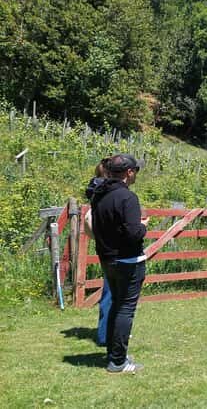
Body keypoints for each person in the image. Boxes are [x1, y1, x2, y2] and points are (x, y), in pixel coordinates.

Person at [90, 153, 148, 373]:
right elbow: (133, 233)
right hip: (127, 260)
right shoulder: (127, 197)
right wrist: (143, 226)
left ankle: (114, 354)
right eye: (136, 171)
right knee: (125, 309)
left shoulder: (99, 194)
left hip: (107, 259)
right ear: (129, 172)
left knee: (116, 305)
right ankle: (118, 362)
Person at [83, 159, 113, 347]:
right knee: (112, 293)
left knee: (110, 291)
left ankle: (108, 332)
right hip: (113, 247)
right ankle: (105, 335)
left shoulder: (95, 189)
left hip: (103, 245)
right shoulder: (106, 189)